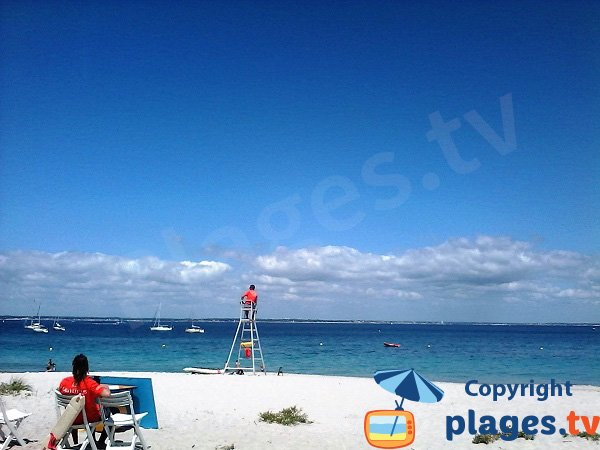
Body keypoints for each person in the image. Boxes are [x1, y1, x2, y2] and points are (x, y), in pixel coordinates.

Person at [58, 354, 110, 449]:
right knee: (110, 412)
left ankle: (93, 441)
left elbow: (60, 390)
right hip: (88, 418)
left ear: (73, 366)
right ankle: (100, 442)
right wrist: (105, 386)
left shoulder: (65, 382)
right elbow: (106, 394)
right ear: (86, 367)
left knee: (89, 410)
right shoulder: (89, 383)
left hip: (71, 418)